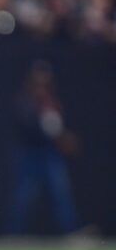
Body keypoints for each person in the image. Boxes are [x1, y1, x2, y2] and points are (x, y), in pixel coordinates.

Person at [7, 61, 80, 234]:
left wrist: (62, 136)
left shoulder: (52, 102)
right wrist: (44, 124)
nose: (41, 85)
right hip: (29, 154)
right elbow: (27, 126)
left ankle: (71, 231)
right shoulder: (25, 101)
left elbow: (58, 129)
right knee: (23, 197)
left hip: (50, 154)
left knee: (61, 194)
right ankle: (13, 235)